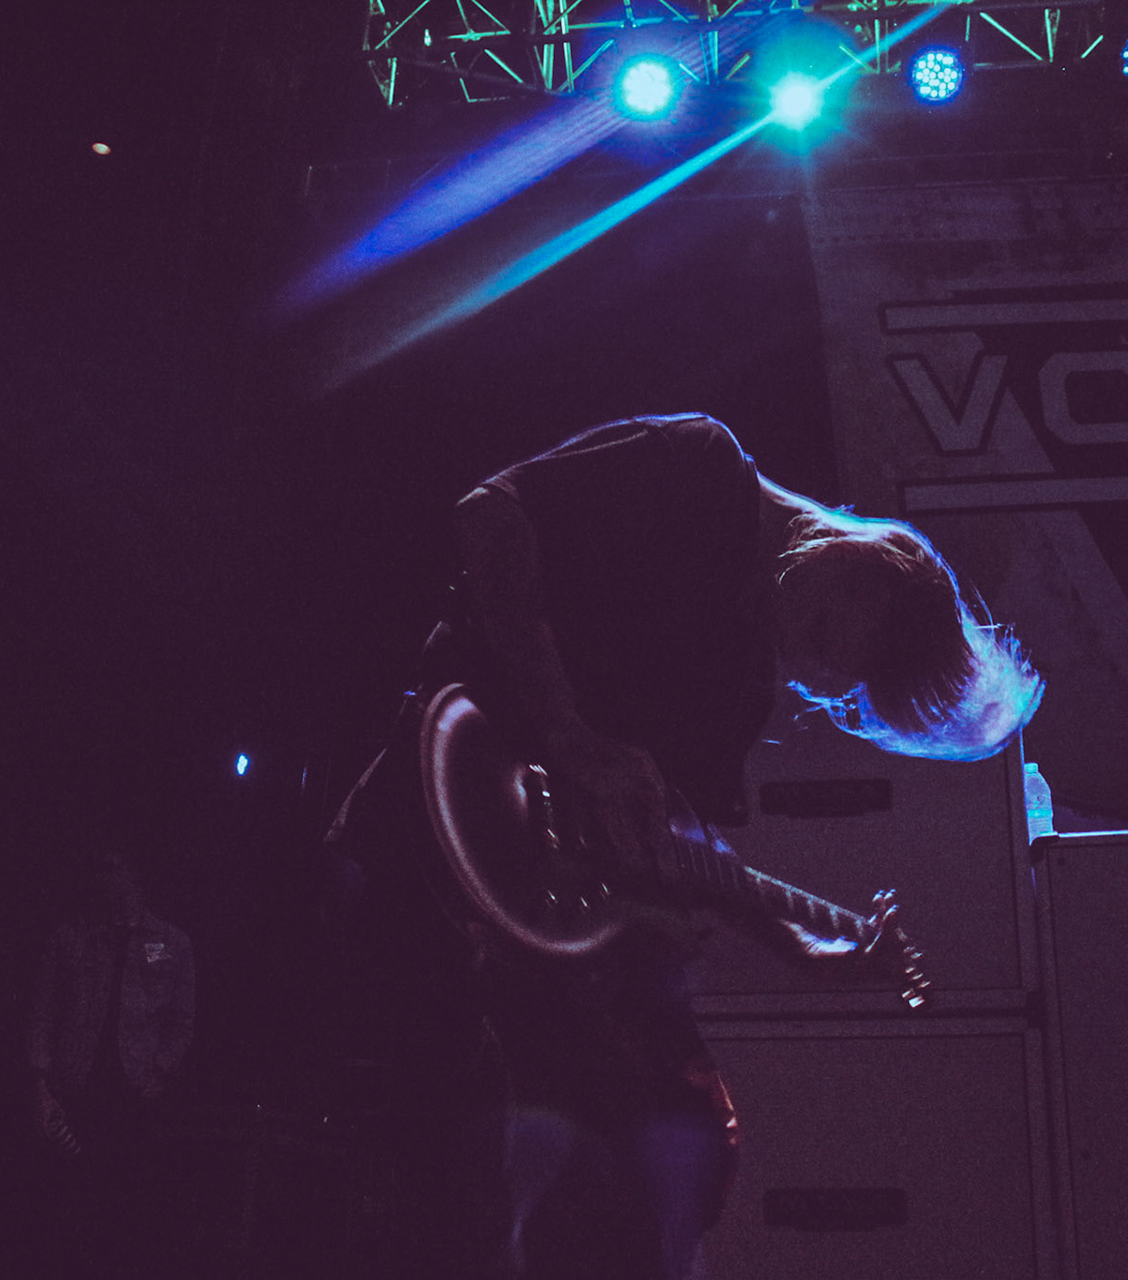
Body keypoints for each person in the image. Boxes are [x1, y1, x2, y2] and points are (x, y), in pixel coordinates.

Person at [327, 412, 1041, 1280]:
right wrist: (568, 734)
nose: (814, 670)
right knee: (438, 1177)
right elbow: (489, 516)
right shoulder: (700, 468)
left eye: (837, 677)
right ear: (857, 557)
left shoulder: (743, 684)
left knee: (663, 1163)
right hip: (435, 833)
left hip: (533, 942)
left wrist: (803, 947)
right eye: (826, 636)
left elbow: (672, 843)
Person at [27, 852, 196, 1278]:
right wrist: (41, 1082)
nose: (106, 877)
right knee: (65, 1202)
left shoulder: (171, 942)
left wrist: (161, 1072)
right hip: (75, 1087)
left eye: (115, 868)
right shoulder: (71, 937)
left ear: (135, 874)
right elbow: (43, 1011)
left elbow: (181, 1018)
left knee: (122, 1204)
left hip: (133, 1093)